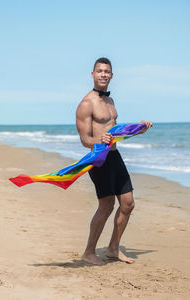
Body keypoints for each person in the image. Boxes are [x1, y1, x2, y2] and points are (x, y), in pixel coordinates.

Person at [76, 57, 152, 266]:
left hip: (115, 156)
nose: (103, 74)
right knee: (107, 205)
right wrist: (99, 140)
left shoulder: (110, 101)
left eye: (107, 71)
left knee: (128, 204)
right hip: (98, 158)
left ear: (111, 75)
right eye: (99, 71)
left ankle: (112, 249)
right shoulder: (86, 104)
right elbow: (84, 140)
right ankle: (89, 252)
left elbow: (116, 132)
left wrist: (139, 129)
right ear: (92, 74)